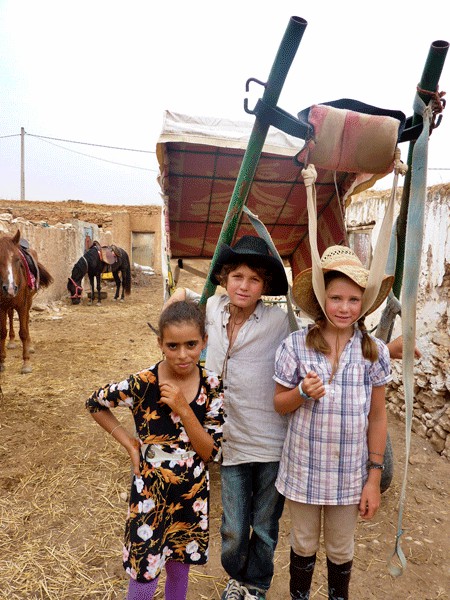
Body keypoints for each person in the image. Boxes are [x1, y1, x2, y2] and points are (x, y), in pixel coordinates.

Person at [272, 245, 395, 600]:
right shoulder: (295, 346)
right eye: (336, 298)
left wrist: (374, 477)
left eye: (353, 300)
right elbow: (280, 404)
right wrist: (302, 394)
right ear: (321, 299)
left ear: (365, 303)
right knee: (303, 542)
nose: (344, 308)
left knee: (341, 548)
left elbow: (377, 415)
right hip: (304, 469)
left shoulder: (374, 351)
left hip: (350, 474)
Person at [85, 300, 224, 600]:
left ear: (205, 341)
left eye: (191, 344)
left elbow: (211, 452)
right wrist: (130, 443)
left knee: (179, 564)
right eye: (172, 346)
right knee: (144, 569)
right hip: (149, 492)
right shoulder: (142, 384)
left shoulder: (212, 385)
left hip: (192, 492)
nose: (183, 354)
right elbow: (95, 403)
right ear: (160, 343)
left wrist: (184, 410)